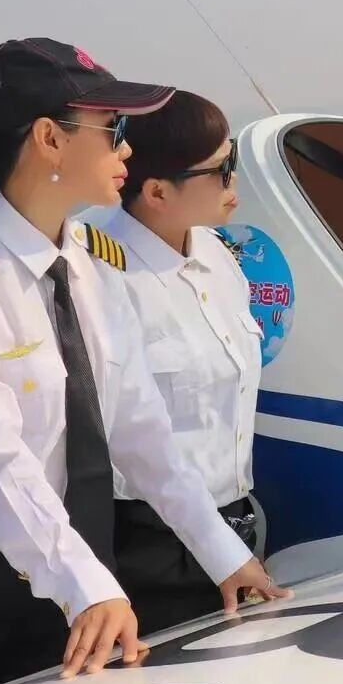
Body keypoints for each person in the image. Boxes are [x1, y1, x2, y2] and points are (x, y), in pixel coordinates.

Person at [0, 39, 289, 684]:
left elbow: (141, 432)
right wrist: (84, 586)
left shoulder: (95, 265)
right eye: (112, 129)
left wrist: (223, 554)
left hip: (72, 568)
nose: (128, 149)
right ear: (49, 139)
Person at [95, 91, 262, 636]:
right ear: (157, 191)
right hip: (145, 546)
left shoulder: (218, 256)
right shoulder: (100, 274)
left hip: (233, 525)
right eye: (222, 170)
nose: (234, 183)